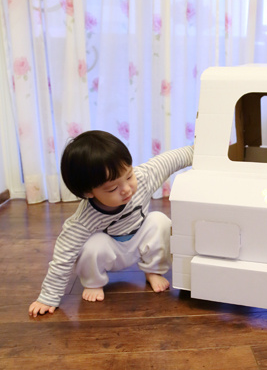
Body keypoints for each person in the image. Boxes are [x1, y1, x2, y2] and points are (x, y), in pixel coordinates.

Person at [28, 130, 193, 317]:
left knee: (159, 221)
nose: (126, 189)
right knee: (91, 245)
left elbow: (173, 159)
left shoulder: (143, 177)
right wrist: (48, 298)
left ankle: (153, 270)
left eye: (129, 176)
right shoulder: (84, 219)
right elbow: (63, 256)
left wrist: (201, 152)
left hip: (140, 240)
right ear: (89, 193)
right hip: (112, 252)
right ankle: (93, 282)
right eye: (113, 188)